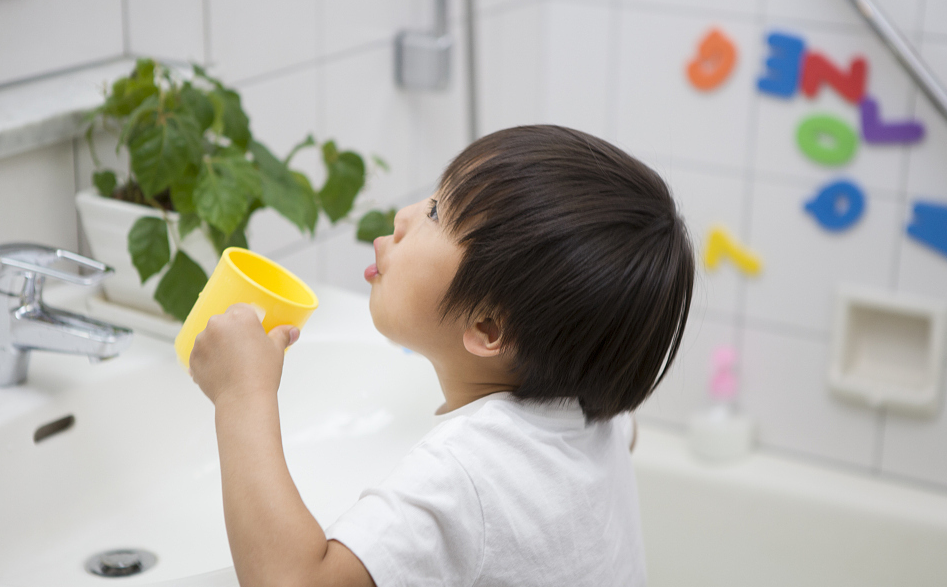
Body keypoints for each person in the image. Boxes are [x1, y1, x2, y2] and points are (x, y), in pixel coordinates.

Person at [189, 124, 696, 587]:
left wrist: (242, 394)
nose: (404, 216)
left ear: (488, 326)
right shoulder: (594, 413)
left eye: (435, 213)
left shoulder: (463, 472)